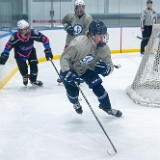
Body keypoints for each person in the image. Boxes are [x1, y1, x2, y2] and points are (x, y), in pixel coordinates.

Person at [59, 20, 122, 118]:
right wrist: (67, 71)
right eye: (99, 35)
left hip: (86, 69)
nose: (103, 38)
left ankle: (107, 108)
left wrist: (107, 69)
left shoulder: (104, 49)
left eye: (104, 35)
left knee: (98, 87)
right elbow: (64, 57)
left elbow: (111, 66)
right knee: (72, 93)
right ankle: (75, 103)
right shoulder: (79, 43)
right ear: (91, 34)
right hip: (72, 69)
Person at [0, 19, 53, 86]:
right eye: (25, 29)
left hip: (31, 52)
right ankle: (25, 76)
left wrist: (48, 50)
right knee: (23, 71)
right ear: (20, 30)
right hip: (19, 55)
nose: (27, 30)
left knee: (34, 70)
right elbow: (8, 46)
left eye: (28, 28)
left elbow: (45, 39)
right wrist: (5, 54)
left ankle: (33, 80)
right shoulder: (15, 37)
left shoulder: (33, 33)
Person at [57, 0, 92, 83]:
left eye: (82, 7)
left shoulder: (88, 18)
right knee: (66, 58)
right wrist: (67, 27)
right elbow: (64, 21)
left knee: (80, 60)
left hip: (81, 44)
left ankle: (77, 75)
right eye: (78, 6)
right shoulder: (70, 15)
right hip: (70, 42)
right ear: (75, 7)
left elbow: (88, 30)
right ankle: (63, 74)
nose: (80, 8)